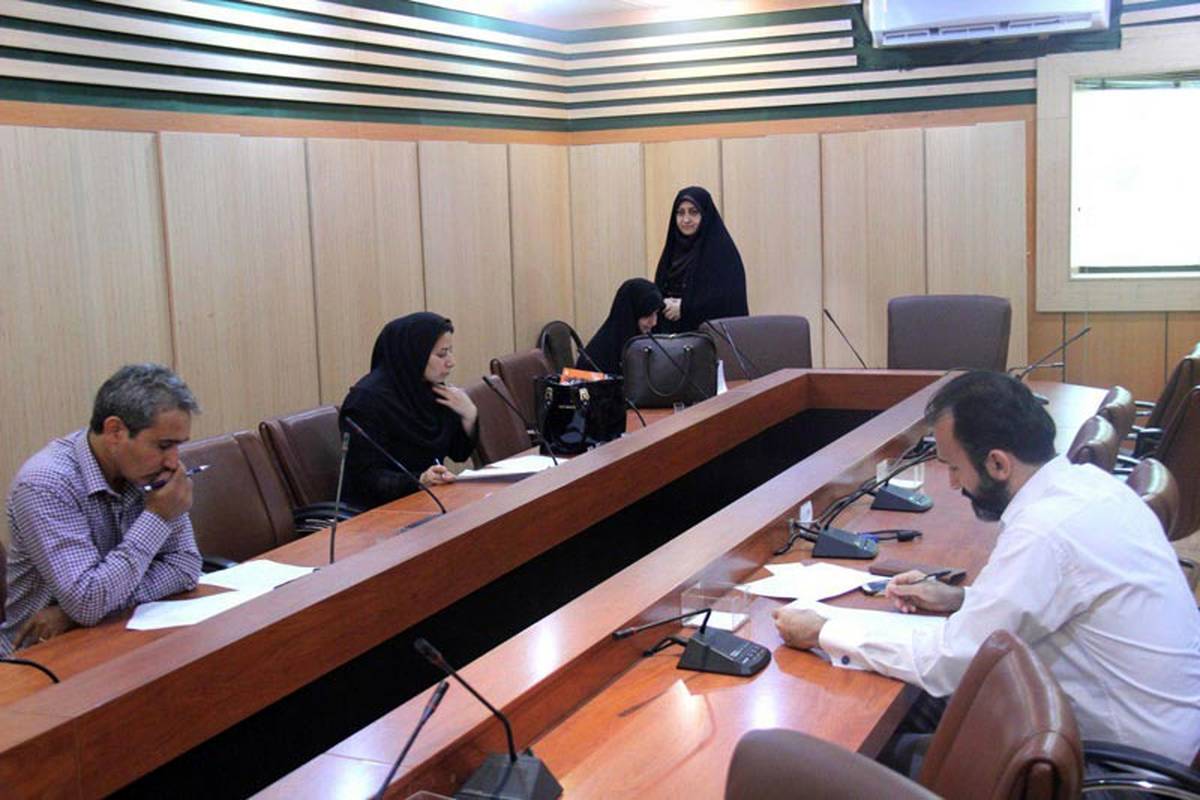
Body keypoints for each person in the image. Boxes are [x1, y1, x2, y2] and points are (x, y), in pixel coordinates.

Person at [773, 371, 1200, 765]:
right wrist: (961, 599)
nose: (953, 484)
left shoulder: (1046, 532)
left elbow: (953, 661)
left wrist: (823, 631)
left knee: (848, 756)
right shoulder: (1087, 487)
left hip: (1116, 769)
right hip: (1136, 735)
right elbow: (1043, 603)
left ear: (997, 464)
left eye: (954, 468)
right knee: (898, 709)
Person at [1, 364, 202, 656]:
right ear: (115, 431)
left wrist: (72, 615)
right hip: (39, 657)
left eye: (178, 446)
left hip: (118, 635)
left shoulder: (147, 472)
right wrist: (157, 518)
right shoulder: (45, 484)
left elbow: (184, 566)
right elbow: (87, 601)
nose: (173, 462)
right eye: (163, 445)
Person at [339, 313, 478, 510]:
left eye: (450, 352)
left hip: (427, 502)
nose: (451, 361)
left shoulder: (429, 389)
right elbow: (366, 478)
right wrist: (419, 480)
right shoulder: (365, 402)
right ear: (414, 354)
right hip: (378, 513)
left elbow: (458, 453)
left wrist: (469, 415)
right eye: (441, 354)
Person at [653, 186, 748, 334]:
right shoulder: (671, 251)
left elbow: (728, 302)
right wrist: (662, 303)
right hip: (671, 337)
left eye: (693, 212)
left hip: (709, 338)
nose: (686, 219)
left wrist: (686, 308)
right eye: (680, 213)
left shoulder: (721, 252)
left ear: (705, 214)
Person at [578, 278, 664, 375]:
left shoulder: (652, 345)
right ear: (630, 315)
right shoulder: (595, 359)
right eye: (647, 315)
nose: (654, 322)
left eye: (656, 313)